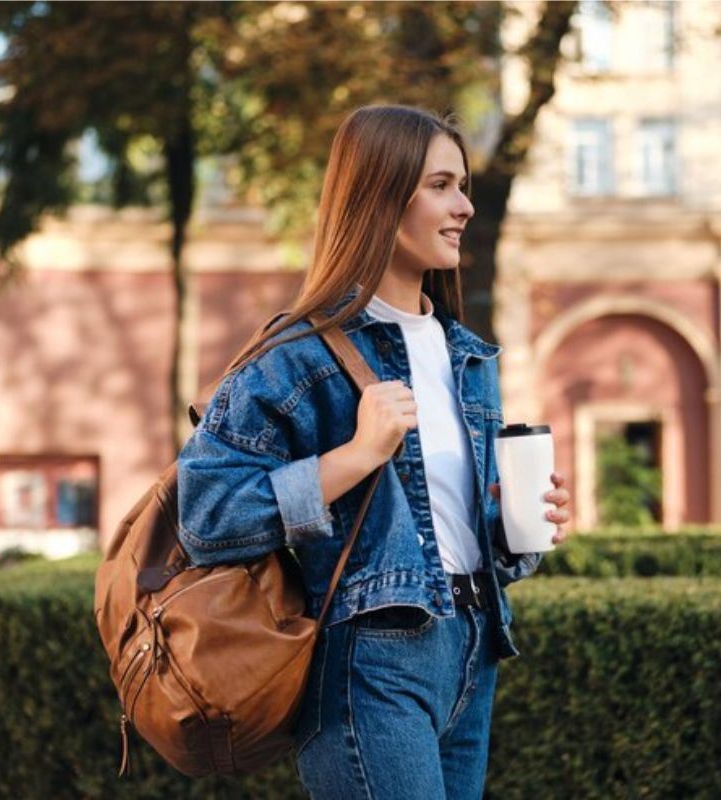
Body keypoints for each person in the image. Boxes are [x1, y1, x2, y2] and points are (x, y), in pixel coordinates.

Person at [176, 105, 572, 799]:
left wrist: (514, 526)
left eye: (463, 185)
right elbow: (206, 515)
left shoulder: (466, 356)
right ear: (383, 199)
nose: (465, 207)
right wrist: (353, 457)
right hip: (373, 664)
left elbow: (437, 529)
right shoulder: (300, 356)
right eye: (442, 186)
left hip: (474, 647)